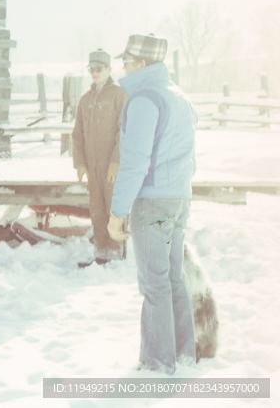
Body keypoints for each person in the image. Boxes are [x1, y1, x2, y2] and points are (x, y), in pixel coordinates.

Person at [107, 34, 198, 374]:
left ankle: (159, 362)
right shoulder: (179, 96)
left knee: (155, 281)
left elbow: (135, 162)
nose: (123, 68)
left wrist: (117, 213)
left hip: (155, 208)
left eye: (127, 62)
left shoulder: (145, 100)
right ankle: (184, 353)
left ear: (142, 64)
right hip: (177, 201)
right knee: (173, 277)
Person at [72, 49, 128, 266]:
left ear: (108, 69)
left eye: (99, 69)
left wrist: (117, 159)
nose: (95, 73)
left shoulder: (119, 95)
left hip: (111, 165)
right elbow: (77, 134)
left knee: (113, 206)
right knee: (96, 208)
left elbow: (124, 131)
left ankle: (115, 250)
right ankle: (101, 248)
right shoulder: (85, 100)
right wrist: (80, 163)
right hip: (92, 166)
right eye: (91, 69)